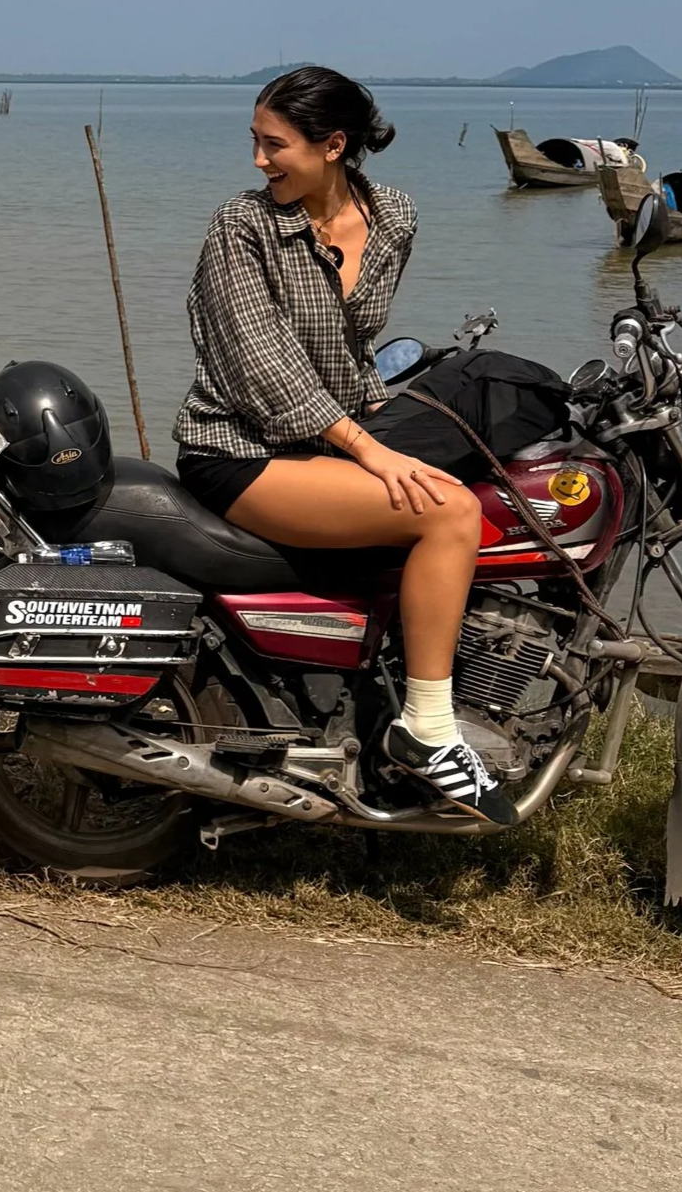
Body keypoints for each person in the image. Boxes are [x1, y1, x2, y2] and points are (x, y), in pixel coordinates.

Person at [173, 65, 515, 824]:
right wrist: (371, 448)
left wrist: (390, 419)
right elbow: (263, 363)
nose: (258, 161)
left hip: (327, 440)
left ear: (333, 145)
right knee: (448, 512)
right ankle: (427, 731)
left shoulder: (393, 216)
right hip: (239, 447)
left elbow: (352, 346)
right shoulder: (242, 225)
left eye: (273, 145)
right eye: (256, 143)